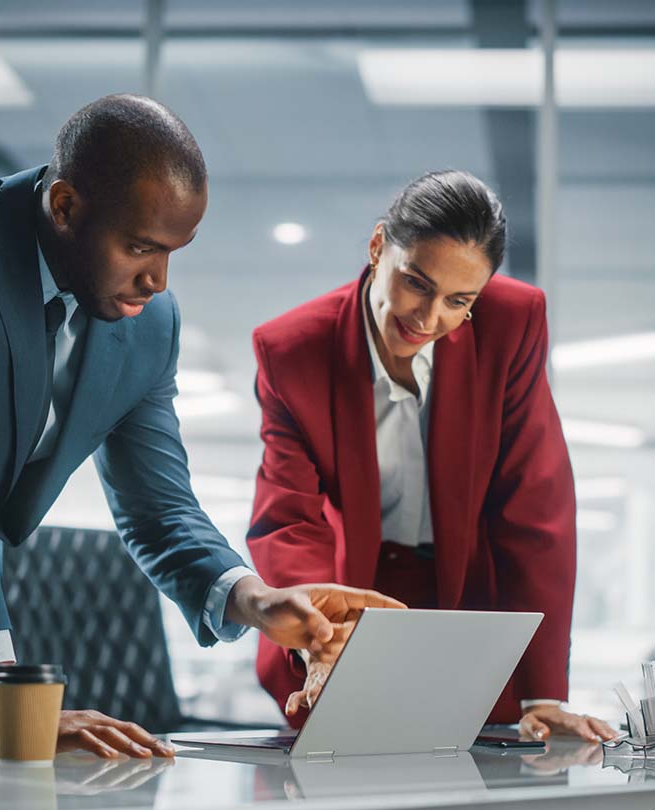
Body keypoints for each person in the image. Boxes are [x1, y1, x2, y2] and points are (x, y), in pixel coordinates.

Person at [0, 94, 400, 757]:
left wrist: (256, 600)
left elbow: (160, 508)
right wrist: (6, 692)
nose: (158, 278)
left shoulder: (148, 327)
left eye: (175, 251)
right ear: (64, 207)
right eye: (140, 245)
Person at [247, 170, 615, 743]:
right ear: (377, 249)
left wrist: (544, 692)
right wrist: (317, 637)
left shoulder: (512, 323)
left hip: (472, 604)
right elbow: (290, 520)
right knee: (346, 765)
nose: (428, 318)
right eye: (416, 283)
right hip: (352, 599)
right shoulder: (293, 351)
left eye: (458, 301)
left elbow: (534, 509)